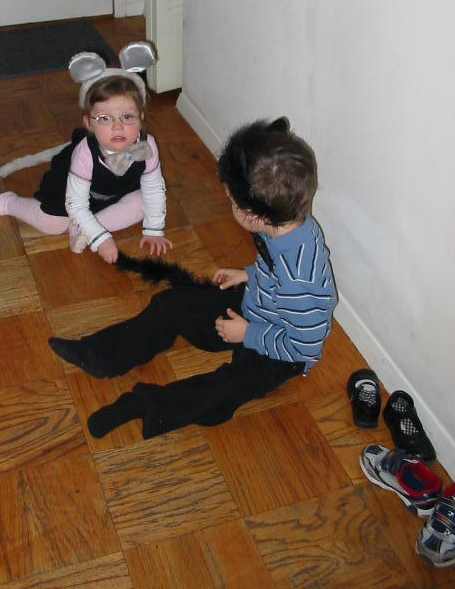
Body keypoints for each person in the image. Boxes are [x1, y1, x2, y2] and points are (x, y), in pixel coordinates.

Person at [48, 117, 338, 439]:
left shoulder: (301, 281)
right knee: (172, 304)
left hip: (281, 350)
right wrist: (248, 274)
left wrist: (248, 334)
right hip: (255, 305)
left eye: (232, 201)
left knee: (226, 388)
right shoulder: (286, 221)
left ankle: (145, 406)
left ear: (254, 215)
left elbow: (304, 345)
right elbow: (275, 271)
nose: (229, 204)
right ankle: (101, 355)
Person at [0, 66, 172, 264]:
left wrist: (154, 229)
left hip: (116, 191)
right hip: (70, 192)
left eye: (127, 117)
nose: (118, 126)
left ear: (141, 117)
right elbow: (75, 204)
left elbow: (154, 188)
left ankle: (83, 228)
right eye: (105, 118)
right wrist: (102, 239)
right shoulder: (84, 153)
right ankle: (9, 203)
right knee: (51, 224)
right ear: (89, 124)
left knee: (143, 204)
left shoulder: (147, 145)